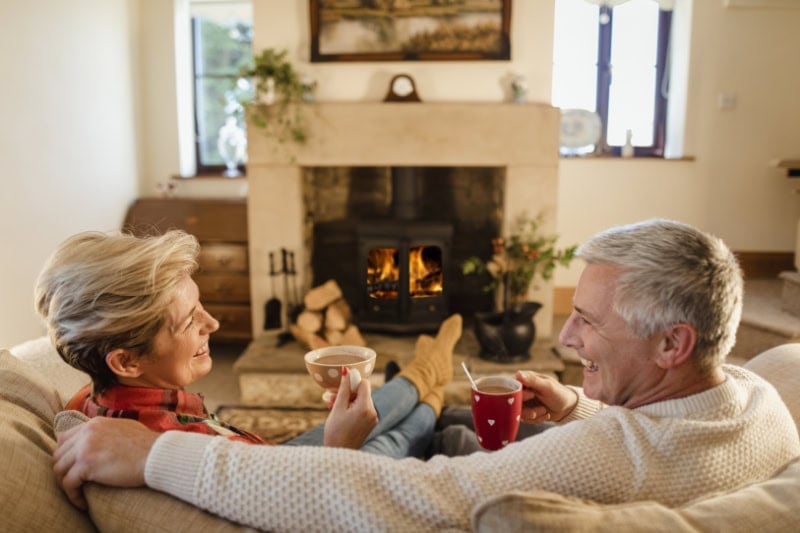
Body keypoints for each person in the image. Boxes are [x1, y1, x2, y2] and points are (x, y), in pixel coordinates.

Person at [53, 219, 800, 531]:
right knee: (428, 421)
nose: (565, 336)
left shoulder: (606, 455)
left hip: (321, 490)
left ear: (673, 342)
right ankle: (425, 378)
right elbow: (664, 431)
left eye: (590, 321)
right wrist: (576, 402)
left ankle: (422, 374)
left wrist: (154, 453)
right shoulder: (760, 398)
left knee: (413, 436)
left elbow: (417, 496)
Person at [36, 229, 461, 458]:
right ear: (126, 361)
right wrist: (340, 449)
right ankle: (433, 374)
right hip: (294, 478)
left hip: (269, 459)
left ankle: (428, 374)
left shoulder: (92, 403)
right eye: (190, 321)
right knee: (390, 441)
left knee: (366, 418)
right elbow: (307, 510)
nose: (214, 323)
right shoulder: (175, 450)